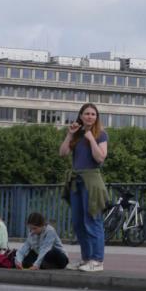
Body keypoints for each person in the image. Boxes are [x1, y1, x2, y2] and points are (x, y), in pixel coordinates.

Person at [59, 103, 108, 273]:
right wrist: (70, 135)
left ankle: (97, 260)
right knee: (79, 222)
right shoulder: (76, 135)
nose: (90, 116)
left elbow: (100, 158)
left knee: (92, 220)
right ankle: (86, 258)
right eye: (86, 113)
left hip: (92, 180)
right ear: (80, 116)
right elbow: (63, 153)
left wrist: (91, 138)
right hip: (76, 180)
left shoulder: (101, 134)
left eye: (93, 114)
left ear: (96, 117)